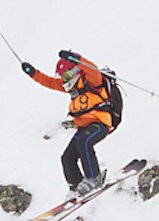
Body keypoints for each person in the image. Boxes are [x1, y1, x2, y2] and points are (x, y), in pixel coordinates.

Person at [21, 50, 114, 198]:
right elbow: (49, 82)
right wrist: (32, 73)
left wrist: (76, 59)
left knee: (84, 142)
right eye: (62, 77)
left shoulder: (92, 81)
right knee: (67, 157)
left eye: (67, 76)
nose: (64, 80)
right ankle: (76, 186)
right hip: (84, 127)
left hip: (99, 123)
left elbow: (92, 69)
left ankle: (94, 179)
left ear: (75, 71)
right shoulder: (70, 87)